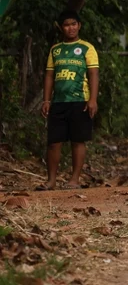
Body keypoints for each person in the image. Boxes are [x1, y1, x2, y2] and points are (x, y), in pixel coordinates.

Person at [39, 10, 99, 190]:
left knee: (78, 140)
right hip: (58, 101)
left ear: (79, 26)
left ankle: (74, 180)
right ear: (61, 28)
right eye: (66, 25)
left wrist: (93, 99)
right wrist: (46, 100)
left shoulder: (87, 48)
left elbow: (93, 74)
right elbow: (49, 76)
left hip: (80, 100)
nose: (70, 28)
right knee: (54, 142)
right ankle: (51, 181)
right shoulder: (55, 50)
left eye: (74, 24)